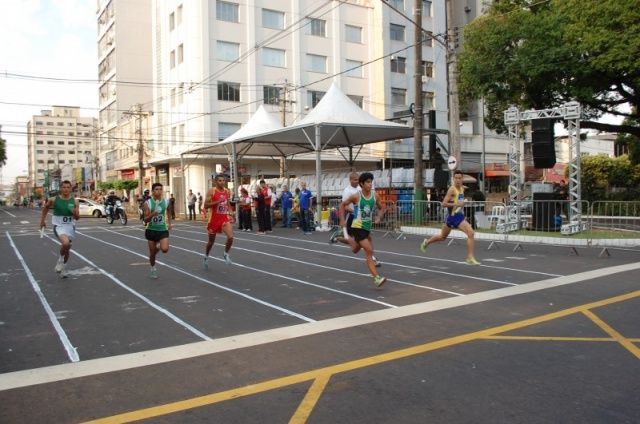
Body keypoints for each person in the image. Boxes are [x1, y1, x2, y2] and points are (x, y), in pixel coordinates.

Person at [420, 170, 481, 265]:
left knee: (471, 233)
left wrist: (463, 203)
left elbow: (460, 200)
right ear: (453, 179)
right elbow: (443, 204)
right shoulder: (452, 190)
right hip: (451, 217)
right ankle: (426, 242)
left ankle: (470, 258)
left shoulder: (462, 188)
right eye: (456, 178)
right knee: (442, 237)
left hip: (458, 216)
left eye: (459, 178)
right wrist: (457, 204)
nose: (457, 180)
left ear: (462, 179)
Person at [338, 172, 387, 287]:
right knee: (369, 251)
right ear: (362, 184)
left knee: (355, 249)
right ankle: (376, 278)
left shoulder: (375, 196)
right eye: (368, 182)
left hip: (366, 227)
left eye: (371, 182)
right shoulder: (357, 196)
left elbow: (382, 207)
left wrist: (379, 216)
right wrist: (342, 219)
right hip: (357, 226)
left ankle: (342, 239)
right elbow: (342, 205)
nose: (370, 184)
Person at [330, 172, 381, 267]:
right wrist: (354, 212)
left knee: (361, 241)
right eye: (355, 180)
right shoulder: (347, 191)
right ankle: (338, 238)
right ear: (350, 180)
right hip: (352, 217)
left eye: (358, 180)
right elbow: (344, 206)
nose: (357, 181)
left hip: (363, 219)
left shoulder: (360, 188)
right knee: (356, 239)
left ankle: (372, 258)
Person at [39, 180, 80, 278]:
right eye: (64, 187)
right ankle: (60, 261)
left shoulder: (75, 201)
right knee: (65, 243)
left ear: (70, 189)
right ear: (60, 188)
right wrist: (42, 221)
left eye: (68, 187)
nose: (66, 189)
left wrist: (74, 212)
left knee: (67, 248)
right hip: (59, 226)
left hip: (70, 226)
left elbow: (77, 218)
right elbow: (45, 208)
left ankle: (63, 269)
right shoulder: (54, 199)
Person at [203, 174, 234, 269]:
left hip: (224, 218)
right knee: (211, 242)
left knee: (231, 237)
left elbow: (227, 202)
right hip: (213, 220)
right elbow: (206, 205)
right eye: (220, 180)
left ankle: (225, 254)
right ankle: (206, 256)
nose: (222, 182)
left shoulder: (227, 191)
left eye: (223, 180)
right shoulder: (211, 191)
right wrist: (217, 202)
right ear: (216, 182)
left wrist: (231, 211)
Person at [143, 182, 172, 279]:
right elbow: (145, 219)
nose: (159, 191)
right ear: (152, 191)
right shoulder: (148, 203)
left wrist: (170, 223)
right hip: (151, 230)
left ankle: (159, 246)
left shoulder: (166, 201)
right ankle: (153, 267)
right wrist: (153, 214)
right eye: (156, 189)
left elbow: (169, 211)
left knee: (165, 249)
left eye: (160, 189)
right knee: (152, 254)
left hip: (162, 229)